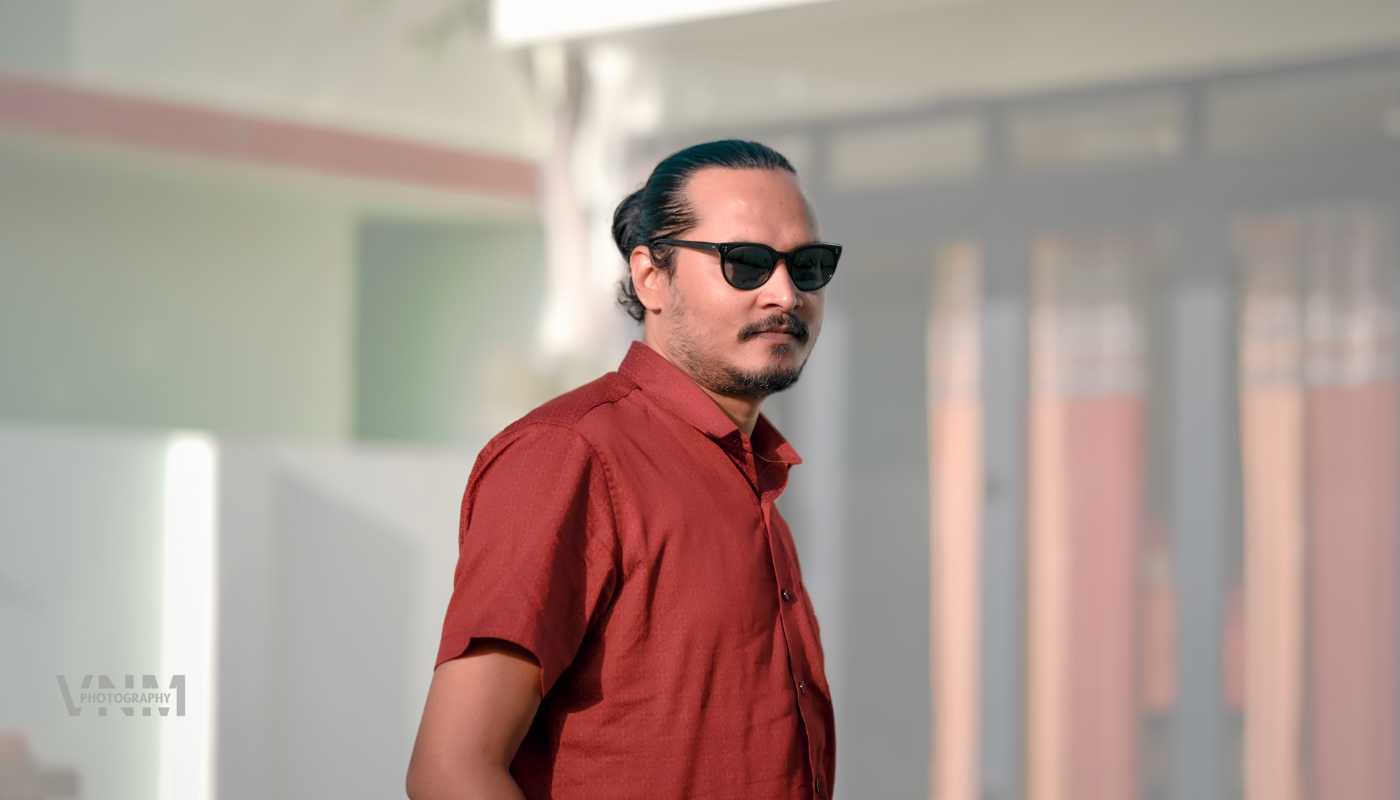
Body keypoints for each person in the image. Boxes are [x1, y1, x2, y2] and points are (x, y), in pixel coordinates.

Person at [406, 139, 840, 800]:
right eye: (746, 263)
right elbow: (450, 772)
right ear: (650, 276)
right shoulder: (571, 455)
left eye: (807, 266)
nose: (785, 292)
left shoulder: (750, 471)